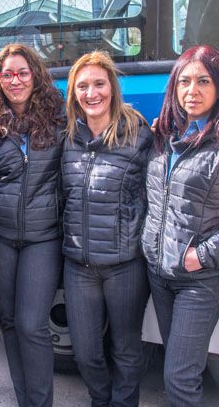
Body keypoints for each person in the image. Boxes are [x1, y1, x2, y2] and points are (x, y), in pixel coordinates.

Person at [140, 45, 219, 406]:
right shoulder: (163, 139)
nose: (193, 91)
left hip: (199, 280)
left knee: (179, 379)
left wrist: (201, 257)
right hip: (160, 273)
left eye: (204, 81)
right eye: (184, 82)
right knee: (181, 365)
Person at [0, 43, 65, 407]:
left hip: (44, 237)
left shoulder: (60, 115)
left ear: (35, 74)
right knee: (7, 320)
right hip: (2, 237)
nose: (15, 80)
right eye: (7, 74)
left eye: (22, 72)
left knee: (31, 325)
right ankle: (25, 400)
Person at [61, 51, 153, 407]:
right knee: (85, 353)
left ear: (112, 88)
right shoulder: (66, 136)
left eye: (99, 83)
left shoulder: (139, 134)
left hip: (125, 265)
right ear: (74, 93)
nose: (91, 93)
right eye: (82, 86)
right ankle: (101, 399)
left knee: (126, 349)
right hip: (78, 266)